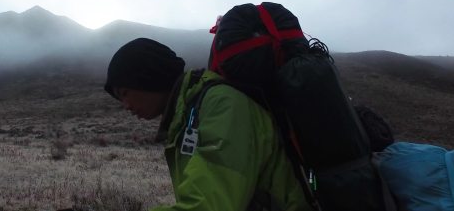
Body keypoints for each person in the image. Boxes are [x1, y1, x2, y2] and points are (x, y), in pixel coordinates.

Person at [104, 37, 312, 211]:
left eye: (125, 93)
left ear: (147, 77)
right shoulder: (188, 114)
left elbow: (207, 205)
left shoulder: (222, 106)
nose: (126, 106)